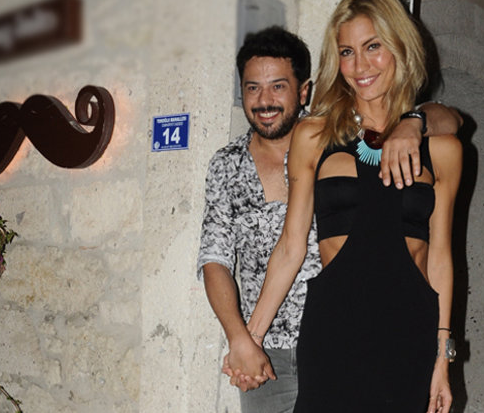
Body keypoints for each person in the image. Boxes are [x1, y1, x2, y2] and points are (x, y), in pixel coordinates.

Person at [197, 24, 461, 413]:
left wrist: (442, 359)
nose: (360, 64)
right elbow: (286, 248)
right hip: (324, 333)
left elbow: (438, 259)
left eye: (373, 46)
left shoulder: (439, 146)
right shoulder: (312, 138)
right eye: (347, 52)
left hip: (408, 336)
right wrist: (247, 339)